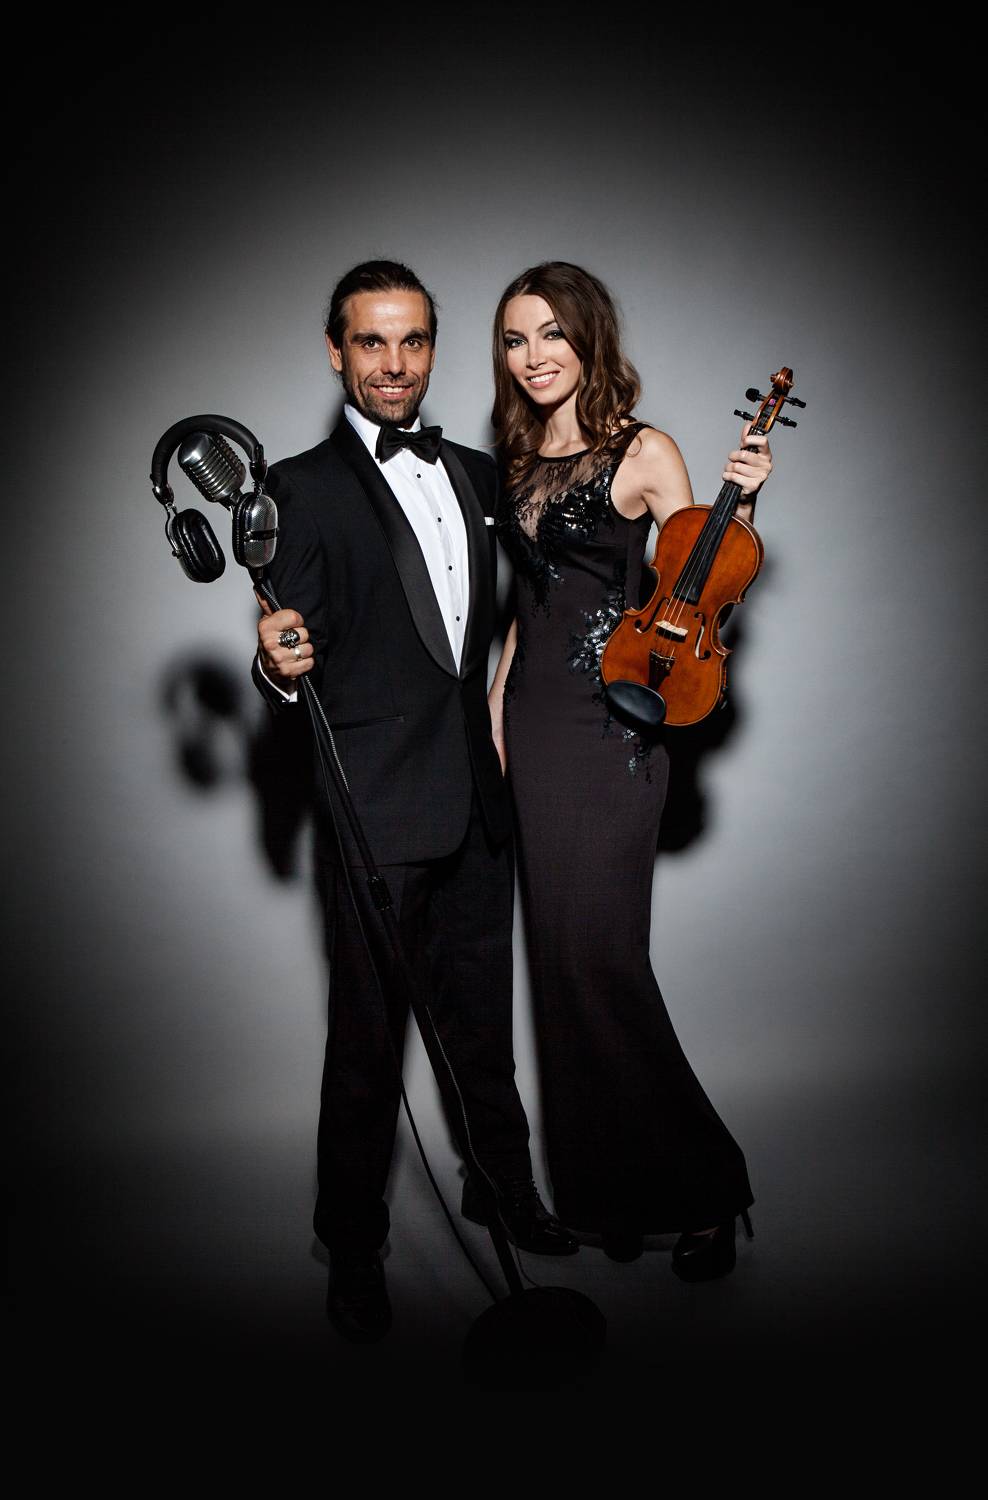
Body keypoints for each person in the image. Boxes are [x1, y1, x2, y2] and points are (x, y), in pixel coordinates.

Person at [253, 259, 577, 1343]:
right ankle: (353, 1247)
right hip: (375, 812)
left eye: (414, 341)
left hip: (478, 801)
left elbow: (533, 609)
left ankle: (504, 1190)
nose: (394, 364)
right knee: (366, 1047)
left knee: (484, 1024)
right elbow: (286, 643)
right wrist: (275, 661)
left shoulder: (479, 474)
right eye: (371, 342)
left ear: (433, 349)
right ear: (335, 351)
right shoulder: (297, 487)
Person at [488, 261, 772, 1277]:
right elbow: (525, 607)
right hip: (532, 725)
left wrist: (744, 503)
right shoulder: (515, 460)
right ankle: (607, 1195)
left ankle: (709, 1191)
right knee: (555, 968)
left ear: (588, 338)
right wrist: (495, 706)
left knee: (599, 961)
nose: (534, 355)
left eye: (551, 333)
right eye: (515, 338)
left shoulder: (643, 450)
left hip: (614, 728)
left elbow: (695, 589)